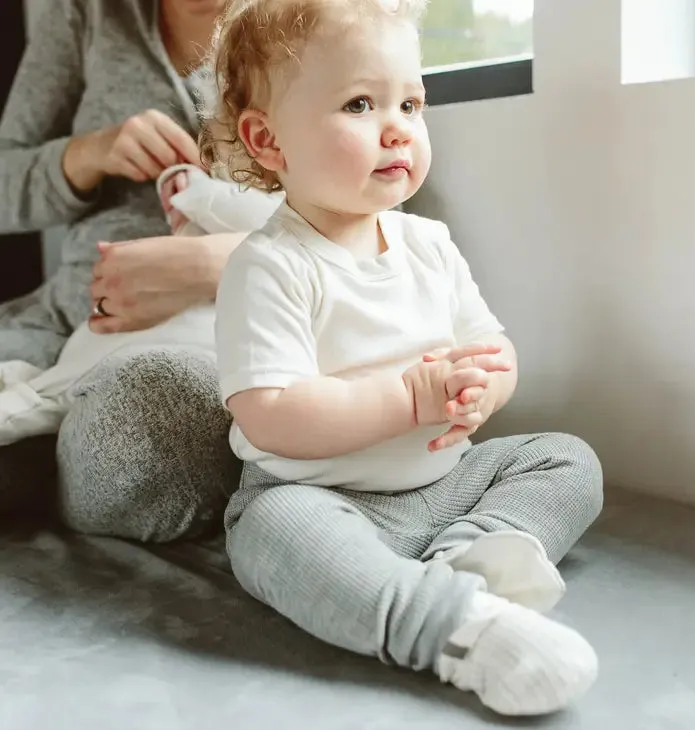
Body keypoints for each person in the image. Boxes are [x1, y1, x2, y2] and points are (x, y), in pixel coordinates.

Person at [209, 0, 604, 718]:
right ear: (268, 141)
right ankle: (456, 631)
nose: (399, 126)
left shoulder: (430, 245)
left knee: (567, 459)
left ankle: (470, 558)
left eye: (412, 103)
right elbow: (270, 416)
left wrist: (483, 388)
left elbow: (492, 348)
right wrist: (410, 401)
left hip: (445, 485)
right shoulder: (269, 266)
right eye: (360, 103)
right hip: (323, 497)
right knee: (274, 536)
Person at [0, 0, 243, 539]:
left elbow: (369, 216)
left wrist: (216, 263)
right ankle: (50, 447)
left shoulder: (315, 15)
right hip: (55, 325)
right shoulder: (86, 14)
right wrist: (87, 155)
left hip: (202, 346)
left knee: (154, 421)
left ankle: (53, 460)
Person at [0, 164, 282, 447]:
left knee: (67, 392)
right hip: (91, 325)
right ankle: (34, 391)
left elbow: (210, 200)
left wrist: (189, 184)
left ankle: (32, 396)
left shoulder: (292, 212)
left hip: (161, 349)